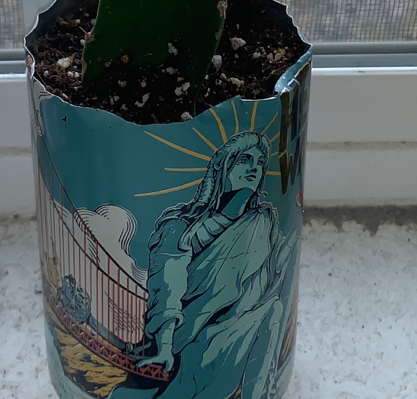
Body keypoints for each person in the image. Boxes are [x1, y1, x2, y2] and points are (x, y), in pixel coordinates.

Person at [111, 130, 296, 399]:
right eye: (244, 159)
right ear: (223, 166)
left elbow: (281, 267)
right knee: (273, 311)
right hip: (191, 342)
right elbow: (167, 290)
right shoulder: (181, 227)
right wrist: (163, 347)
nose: (254, 168)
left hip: (243, 335)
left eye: (259, 163)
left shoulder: (263, 224)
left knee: (274, 309)